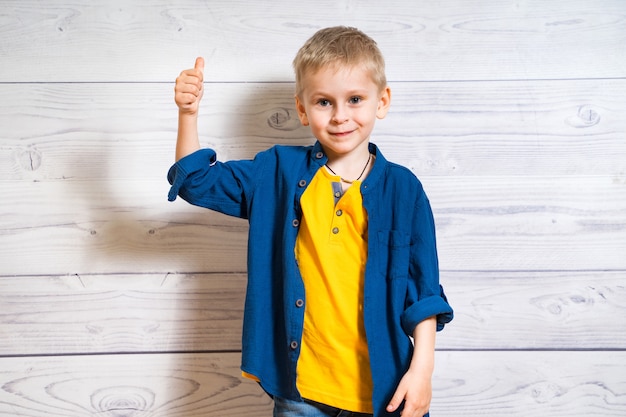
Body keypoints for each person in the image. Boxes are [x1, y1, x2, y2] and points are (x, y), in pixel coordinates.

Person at [168, 26, 453, 417]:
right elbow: (197, 182)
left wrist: (422, 372)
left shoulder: (404, 189)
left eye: (355, 99)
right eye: (324, 102)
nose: (340, 116)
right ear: (302, 108)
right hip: (299, 390)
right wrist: (188, 114)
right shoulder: (277, 172)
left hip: (383, 389)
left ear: (381, 101)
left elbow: (423, 294)